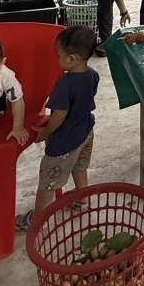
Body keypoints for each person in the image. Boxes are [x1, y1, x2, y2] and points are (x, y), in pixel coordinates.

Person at [16, 26, 101, 232]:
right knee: (80, 167)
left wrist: (46, 132)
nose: (57, 59)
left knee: (48, 181)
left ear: (72, 59)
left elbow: (59, 115)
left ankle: (37, 219)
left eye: (58, 55)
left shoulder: (65, 84)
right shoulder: (93, 75)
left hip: (64, 143)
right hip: (85, 132)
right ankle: (82, 201)